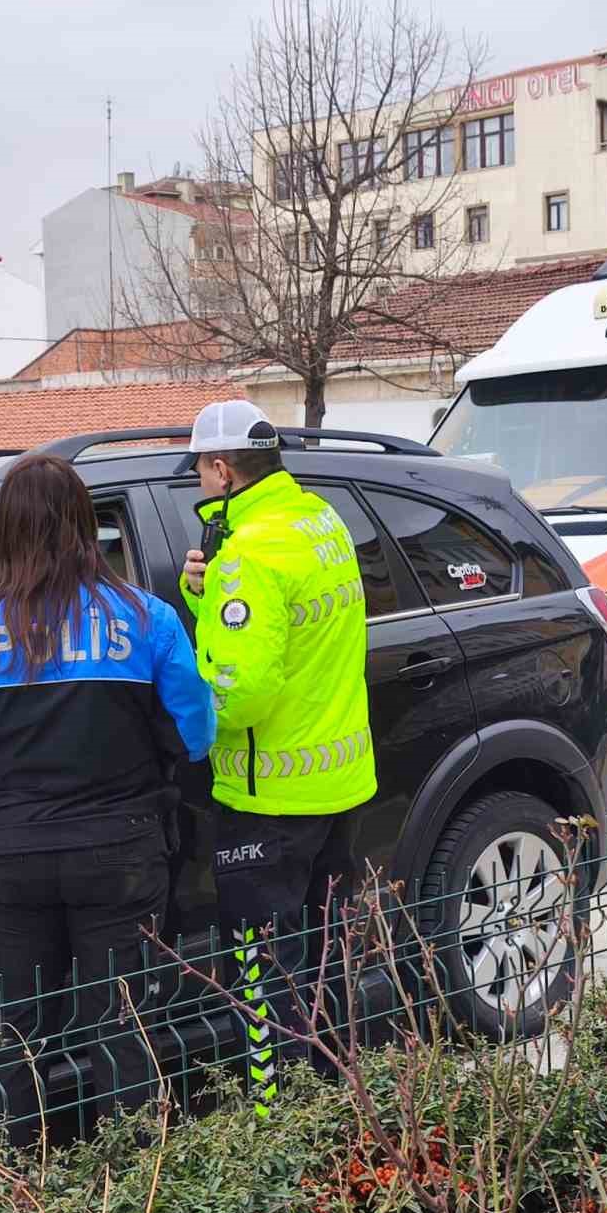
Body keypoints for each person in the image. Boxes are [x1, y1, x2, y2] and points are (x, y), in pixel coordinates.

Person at [0, 454, 214, 1136]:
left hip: (8, 855)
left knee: (14, 1033)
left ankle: (16, 1190)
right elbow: (195, 732)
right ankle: (136, 1192)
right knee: (122, 1022)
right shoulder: (150, 618)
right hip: (123, 850)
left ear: (5, 530)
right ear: (84, 524)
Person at [179, 399, 375, 1117]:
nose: (200, 481)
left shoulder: (248, 557)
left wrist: (188, 723)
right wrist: (205, 596)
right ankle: (338, 1104)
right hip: (339, 783)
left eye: (201, 468)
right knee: (325, 962)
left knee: (262, 975)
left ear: (223, 469)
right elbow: (295, 640)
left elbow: (241, 690)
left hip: (267, 800)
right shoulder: (321, 521)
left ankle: (276, 1125)